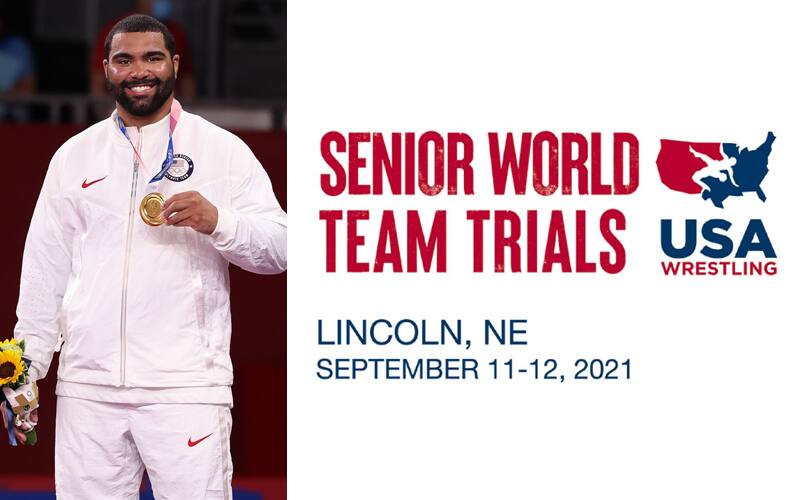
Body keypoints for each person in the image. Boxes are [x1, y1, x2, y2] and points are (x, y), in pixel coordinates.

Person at [6, 14, 286, 499]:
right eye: (125, 60)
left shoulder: (223, 151)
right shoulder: (74, 155)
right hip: (88, 390)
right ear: (107, 69)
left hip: (185, 389)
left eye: (152, 58)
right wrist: (26, 367)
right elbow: (44, 268)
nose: (140, 70)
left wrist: (219, 221)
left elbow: (280, 248)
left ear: (174, 64)